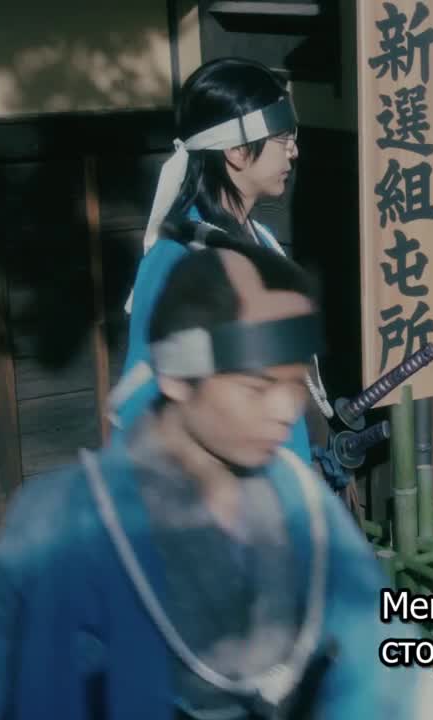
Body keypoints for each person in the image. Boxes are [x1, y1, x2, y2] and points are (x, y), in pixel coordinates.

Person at [0, 227, 433, 719]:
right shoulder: (60, 523)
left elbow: (383, 657)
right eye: (256, 387)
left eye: (293, 384)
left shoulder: (301, 501)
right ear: (177, 377)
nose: (285, 411)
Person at [109, 56, 331, 465]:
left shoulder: (260, 240)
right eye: (283, 138)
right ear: (237, 151)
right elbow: (142, 399)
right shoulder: (177, 258)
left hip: (285, 479)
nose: (294, 151)